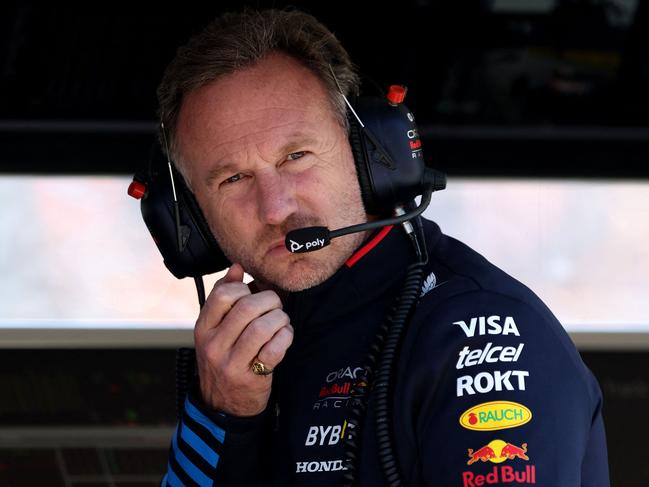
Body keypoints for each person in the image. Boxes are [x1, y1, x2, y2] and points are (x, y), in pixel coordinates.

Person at [154, 8, 609, 487]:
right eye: (234, 178)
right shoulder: (232, 370)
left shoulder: (479, 336)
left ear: (370, 152)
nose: (274, 207)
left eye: (296, 156)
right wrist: (227, 413)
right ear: (190, 215)